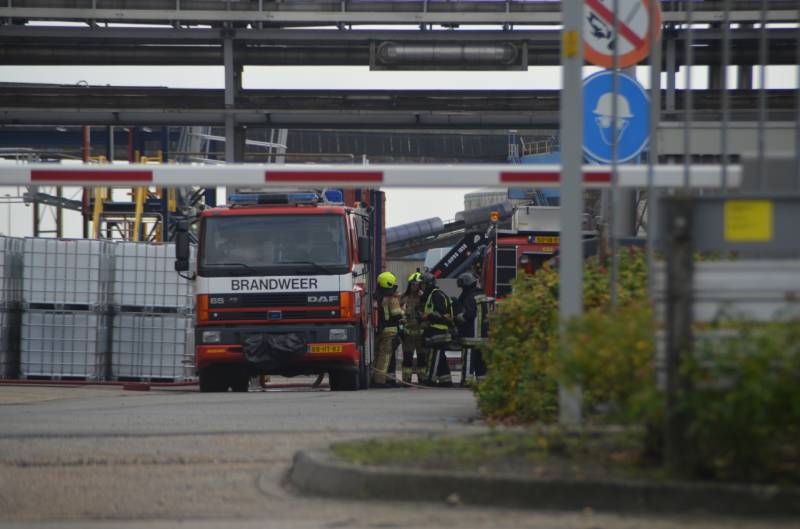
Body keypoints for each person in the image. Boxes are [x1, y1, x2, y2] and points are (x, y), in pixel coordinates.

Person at [419, 272, 453, 387]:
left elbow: (441, 313)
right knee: (440, 356)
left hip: (438, 331)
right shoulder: (435, 294)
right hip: (439, 331)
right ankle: (446, 380)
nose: (421, 287)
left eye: (423, 284)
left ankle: (430, 379)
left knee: (434, 356)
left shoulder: (436, 295)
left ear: (428, 284)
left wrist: (426, 316)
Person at [454, 271, 488, 383]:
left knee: (468, 359)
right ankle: (482, 381)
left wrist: (458, 318)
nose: (462, 289)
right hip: (483, 336)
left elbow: (469, 314)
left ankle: (467, 380)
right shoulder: (481, 295)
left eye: (462, 286)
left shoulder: (469, 297)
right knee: (480, 361)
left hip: (470, 336)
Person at [373, 271, 404, 386]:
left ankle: (375, 378)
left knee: (376, 355)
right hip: (390, 332)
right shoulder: (392, 299)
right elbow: (397, 315)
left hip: (378, 331)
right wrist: (403, 312)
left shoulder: (375, 298)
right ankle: (380, 381)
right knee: (385, 357)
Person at [400, 272, 426, 384]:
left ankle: (423, 379)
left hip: (421, 335)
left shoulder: (424, 298)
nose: (414, 286)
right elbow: (399, 313)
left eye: (417, 284)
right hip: (408, 335)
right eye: (412, 284)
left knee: (422, 358)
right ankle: (406, 379)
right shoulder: (404, 298)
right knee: (407, 358)